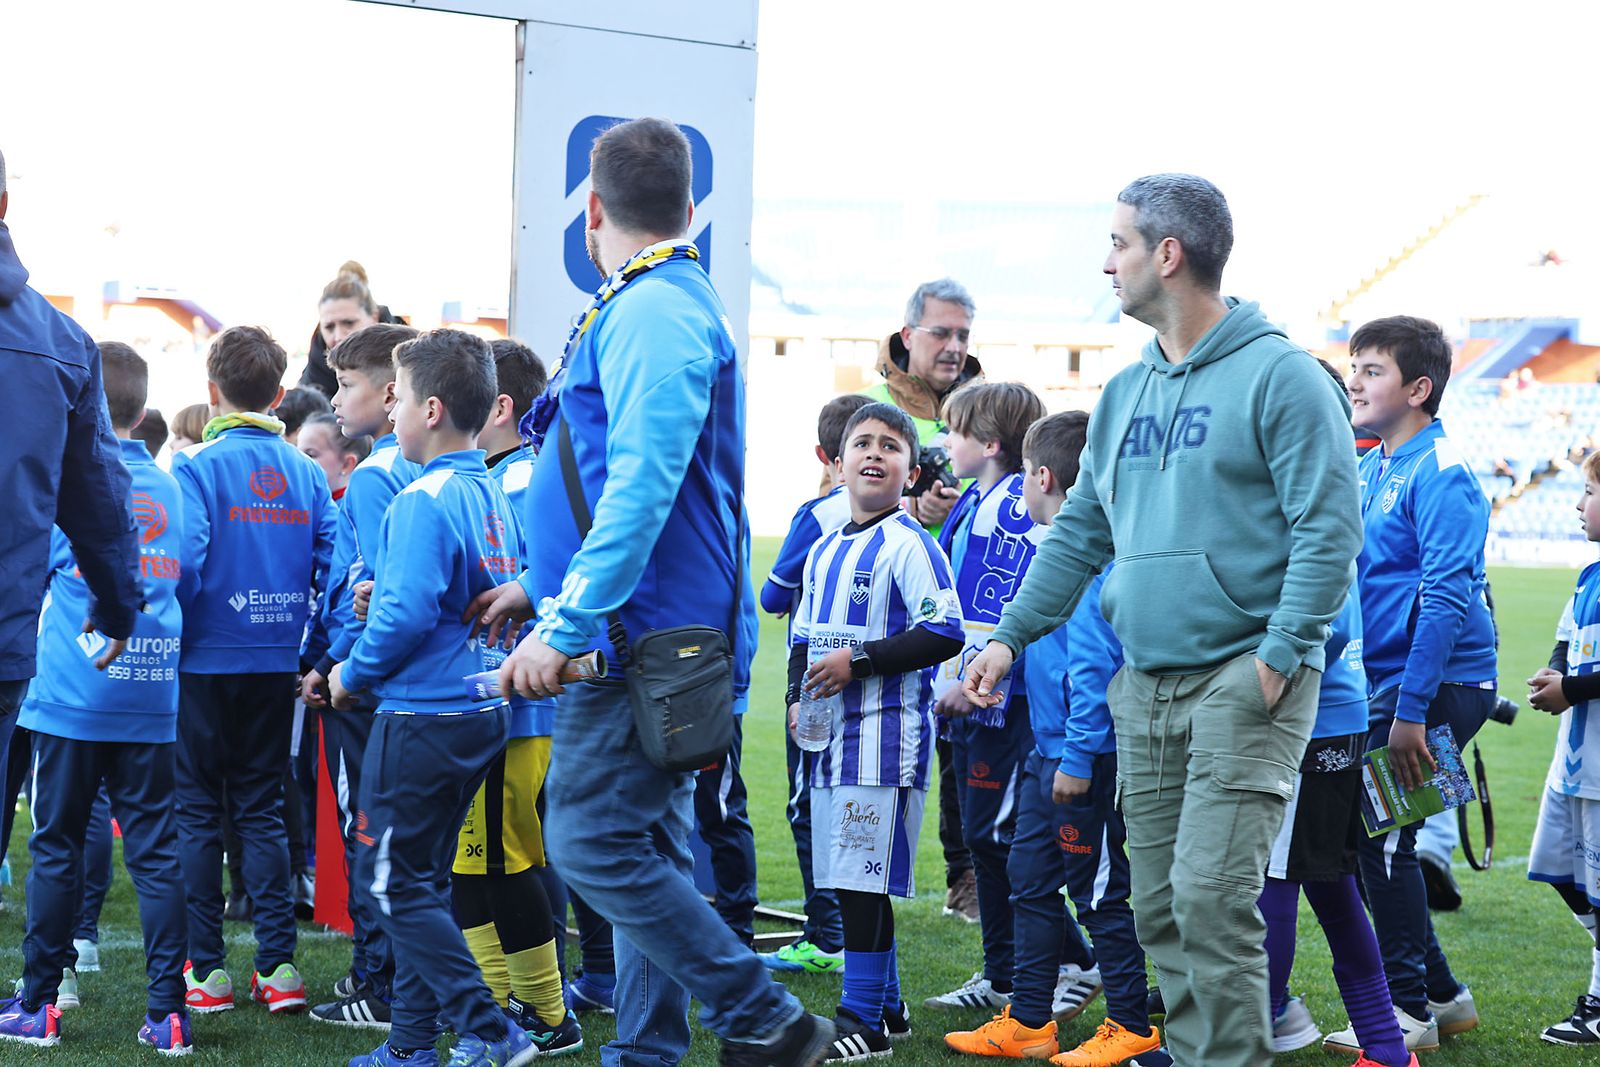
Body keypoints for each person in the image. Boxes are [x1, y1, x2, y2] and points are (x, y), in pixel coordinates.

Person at [963, 173, 1363, 1067]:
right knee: (1157, 908)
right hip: (1141, 683)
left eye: (1119, 244)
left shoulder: (1285, 376)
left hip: (1242, 678)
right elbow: (1079, 533)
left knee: (1212, 897)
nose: (1107, 263)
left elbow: (1330, 530)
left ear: (1168, 255)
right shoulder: (1124, 391)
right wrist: (1008, 635)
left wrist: (1281, 652)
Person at [480, 116, 832, 1066]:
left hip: (634, 641)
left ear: (591, 212)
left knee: (592, 842)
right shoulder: (658, 303)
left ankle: (763, 1017)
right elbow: (615, 479)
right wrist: (537, 584)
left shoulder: (654, 310)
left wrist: (569, 619)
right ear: (687, 208)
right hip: (638, 631)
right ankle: (650, 1053)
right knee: (650, 853)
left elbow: (644, 484)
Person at [327, 328, 536, 1067]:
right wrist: (383, 594)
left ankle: (490, 1029)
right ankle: (413, 1042)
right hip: (479, 707)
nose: (392, 413)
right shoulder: (488, 485)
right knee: (423, 881)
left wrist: (351, 673)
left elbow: (408, 613)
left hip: (424, 714)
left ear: (433, 408)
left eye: (402, 398)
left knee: (391, 884)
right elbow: (447, 594)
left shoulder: (425, 495)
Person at [945, 410, 1162, 1065]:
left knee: (1097, 894)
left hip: (1084, 760)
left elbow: (1094, 674)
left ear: (1042, 477)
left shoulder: (1093, 566)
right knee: (1028, 882)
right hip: (1047, 753)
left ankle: (1130, 1022)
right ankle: (1030, 1019)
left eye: (1025, 483)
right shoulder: (1059, 558)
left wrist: (1074, 758)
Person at [0, 343, 192, 1055]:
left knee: (55, 844)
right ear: (143, 411)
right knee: (157, 851)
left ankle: (38, 1004)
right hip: (150, 692)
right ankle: (169, 1013)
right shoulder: (175, 487)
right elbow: (186, 580)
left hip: (72, 694)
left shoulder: (62, 481)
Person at [1331, 315, 1494, 1052]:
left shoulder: (1443, 470)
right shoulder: (1374, 465)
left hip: (1434, 685)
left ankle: (1406, 1012)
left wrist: (1410, 708)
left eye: (1372, 369)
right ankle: (1443, 995)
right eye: (1354, 366)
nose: (1355, 380)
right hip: (1391, 683)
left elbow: (1445, 597)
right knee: (1379, 840)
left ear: (1418, 388)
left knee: (1386, 842)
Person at [785, 401, 964, 1062]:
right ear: (838, 464)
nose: (873, 454)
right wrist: (795, 699)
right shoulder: (828, 544)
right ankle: (884, 1009)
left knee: (860, 880)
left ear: (910, 471)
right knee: (847, 873)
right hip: (831, 739)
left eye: (890, 446)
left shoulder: (909, 544)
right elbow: (804, 638)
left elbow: (943, 630)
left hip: (884, 741)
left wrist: (858, 661)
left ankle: (858, 1018)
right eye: (861, 443)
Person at [172, 325, 336, 1018]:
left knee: (198, 811)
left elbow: (183, 563)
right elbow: (336, 563)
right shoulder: (305, 470)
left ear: (214, 393)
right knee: (263, 807)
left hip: (205, 658)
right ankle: (279, 967)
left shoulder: (197, 467)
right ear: (277, 393)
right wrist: (313, 646)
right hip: (274, 660)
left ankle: (207, 972)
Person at [1263, 362, 1415, 1067]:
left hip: (1309, 719)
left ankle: (1256, 1023)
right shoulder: (1310, 487)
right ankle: (1384, 1044)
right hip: (1322, 717)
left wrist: (1256, 662)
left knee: (1279, 878)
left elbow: (1332, 623)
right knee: (1324, 879)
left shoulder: (1314, 494)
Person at [0, 145, 142, 854]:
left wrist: (116, 602)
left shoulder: (60, 342)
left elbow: (96, 499)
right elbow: (99, 504)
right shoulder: (58, 341)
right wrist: (116, 605)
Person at [447, 337, 581, 1055]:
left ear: (500, 405)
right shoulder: (500, 472)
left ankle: (545, 1011)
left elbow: (540, 578)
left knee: (505, 860)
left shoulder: (522, 478)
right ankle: (498, 996)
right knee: (478, 860)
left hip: (514, 704)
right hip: (486, 699)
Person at [922, 382, 1062, 1016]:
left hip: (1004, 699)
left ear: (990, 444)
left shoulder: (1014, 505)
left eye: (954, 432)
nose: (945, 444)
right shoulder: (979, 497)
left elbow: (1014, 607)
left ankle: (1063, 964)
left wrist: (975, 679)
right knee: (984, 837)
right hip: (978, 693)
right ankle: (1004, 971)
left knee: (999, 838)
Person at [302, 321, 421, 1028]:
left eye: (346, 384)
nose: (337, 397)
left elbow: (374, 591)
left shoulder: (377, 474)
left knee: (367, 830)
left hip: (368, 685)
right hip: (396, 685)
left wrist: (335, 667)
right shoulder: (417, 468)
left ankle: (376, 982)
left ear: (390, 391)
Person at [865, 278, 985, 924]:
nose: (954, 346)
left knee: (967, 749)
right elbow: (837, 504)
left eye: (964, 334)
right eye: (941, 332)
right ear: (908, 335)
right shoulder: (873, 407)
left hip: (966, 618)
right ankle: (860, 885)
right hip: (886, 615)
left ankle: (967, 875)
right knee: (878, 751)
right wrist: (912, 507)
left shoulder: (988, 407)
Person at [756, 393, 868, 975]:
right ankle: (851, 927)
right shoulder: (895, 515)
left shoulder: (817, 512)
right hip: (872, 667)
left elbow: (773, 596)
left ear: (823, 454)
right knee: (853, 796)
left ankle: (828, 937)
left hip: (817, 666)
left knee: (807, 802)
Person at [1528, 447, 1600, 1045]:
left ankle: (1599, 1004)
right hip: (1572, 761)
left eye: (1590, 493)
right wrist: (1556, 676)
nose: (1579, 504)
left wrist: (1572, 688)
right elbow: (1564, 636)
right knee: (1557, 869)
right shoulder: (1587, 575)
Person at [299, 262, 406, 397]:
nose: (338, 336)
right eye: (329, 327)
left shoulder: (407, 362)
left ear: (374, 317)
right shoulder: (313, 375)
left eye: (349, 323)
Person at [298, 412, 370, 501]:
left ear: (347, 464)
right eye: (297, 454)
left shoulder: (353, 509)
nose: (298, 461)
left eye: (310, 455)